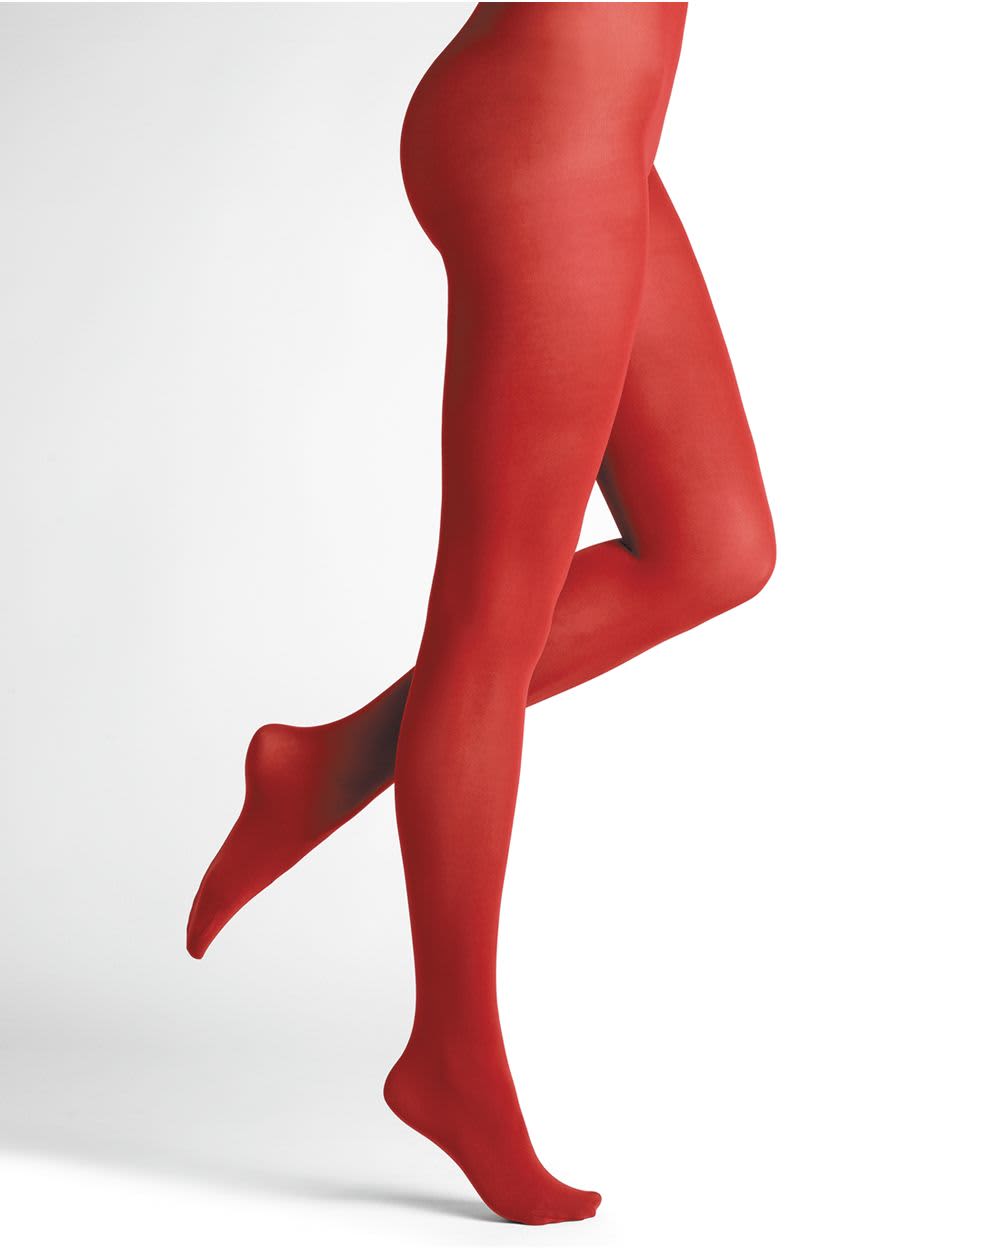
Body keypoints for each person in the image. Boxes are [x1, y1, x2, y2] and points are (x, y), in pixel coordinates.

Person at [187, 2, 775, 1226]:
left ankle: (326, 765)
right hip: (544, 129)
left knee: (715, 546)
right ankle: (449, 1056)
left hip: (595, 129)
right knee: (487, 625)